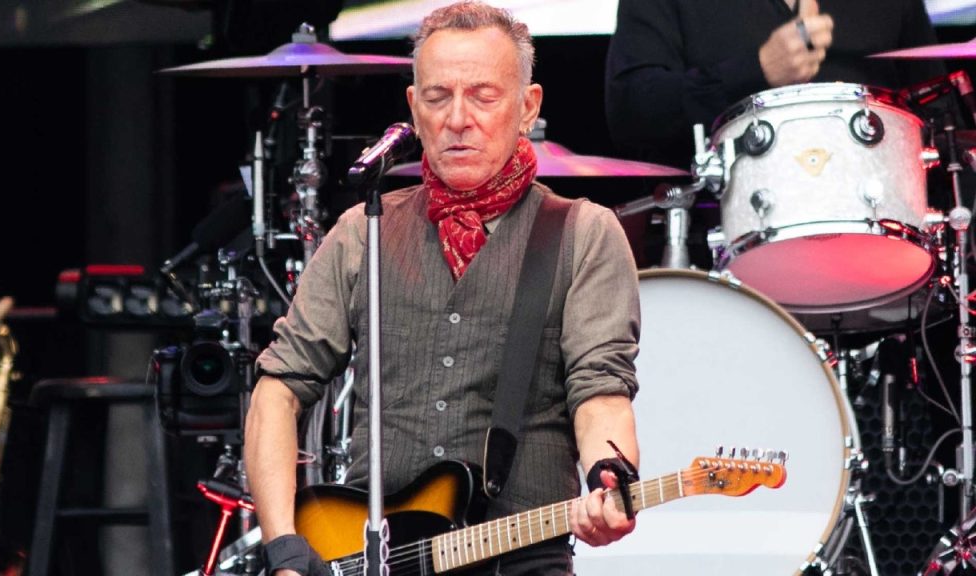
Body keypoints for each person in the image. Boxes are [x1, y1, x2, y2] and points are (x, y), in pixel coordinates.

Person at [244, 1, 642, 575]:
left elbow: (600, 390)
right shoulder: (364, 231)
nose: (458, 118)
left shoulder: (583, 233)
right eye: (437, 97)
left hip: (518, 559)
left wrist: (609, 479)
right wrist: (283, 549)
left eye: (483, 96)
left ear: (528, 107)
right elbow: (279, 387)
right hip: (373, 557)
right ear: (413, 107)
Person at [605, 0, 946, 170]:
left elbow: (940, 117)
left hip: (883, 242)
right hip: (724, 249)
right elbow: (630, 109)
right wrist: (756, 70)